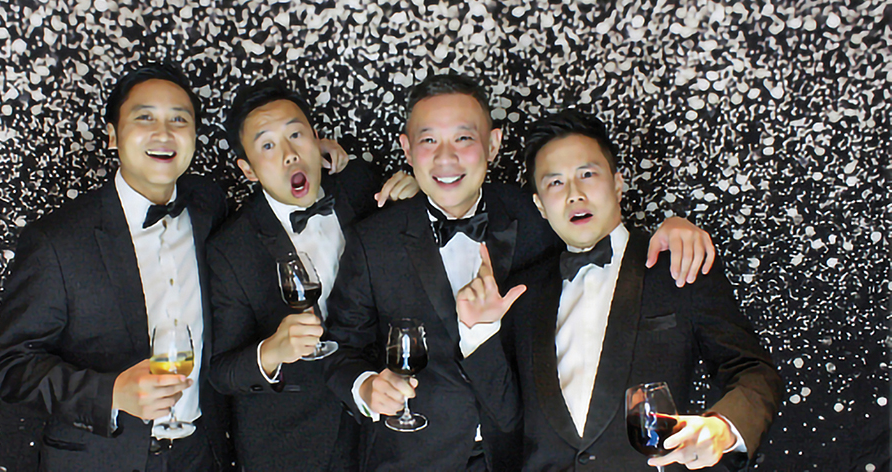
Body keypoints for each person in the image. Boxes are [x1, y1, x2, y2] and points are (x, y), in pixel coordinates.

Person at [323, 73, 717, 471]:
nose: (446, 158)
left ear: (493, 144)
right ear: (407, 150)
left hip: (523, 457)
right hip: (414, 458)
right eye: (429, 141)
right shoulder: (373, 240)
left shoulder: (540, 213)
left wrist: (672, 228)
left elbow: (601, 233)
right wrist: (365, 387)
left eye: (463, 138)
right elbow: (340, 347)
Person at [458, 109, 782, 471]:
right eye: (556, 183)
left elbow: (754, 372)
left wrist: (722, 429)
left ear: (617, 183)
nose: (574, 194)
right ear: (540, 206)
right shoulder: (520, 294)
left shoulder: (677, 264)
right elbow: (506, 420)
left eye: (587, 174)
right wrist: (478, 332)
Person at [0, 62, 232, 472]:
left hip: (200, 455)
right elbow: (12, 369)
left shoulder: (211, 206)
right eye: (145, 118)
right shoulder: (56, 241)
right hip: (98, 460)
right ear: (112, 135)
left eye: (179, 119)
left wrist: (329, 165)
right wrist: (113, 393)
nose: (164, 133)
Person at [205, 80, 418, 471]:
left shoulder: (360, 184)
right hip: (293, 444)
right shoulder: (230, 249)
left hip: (387, 431)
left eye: (296, 135)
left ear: (316, 138)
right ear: (248, 169)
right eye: (268, 145)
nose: (289, 154)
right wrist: (271, 351)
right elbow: (221, 372)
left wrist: (416, 196)